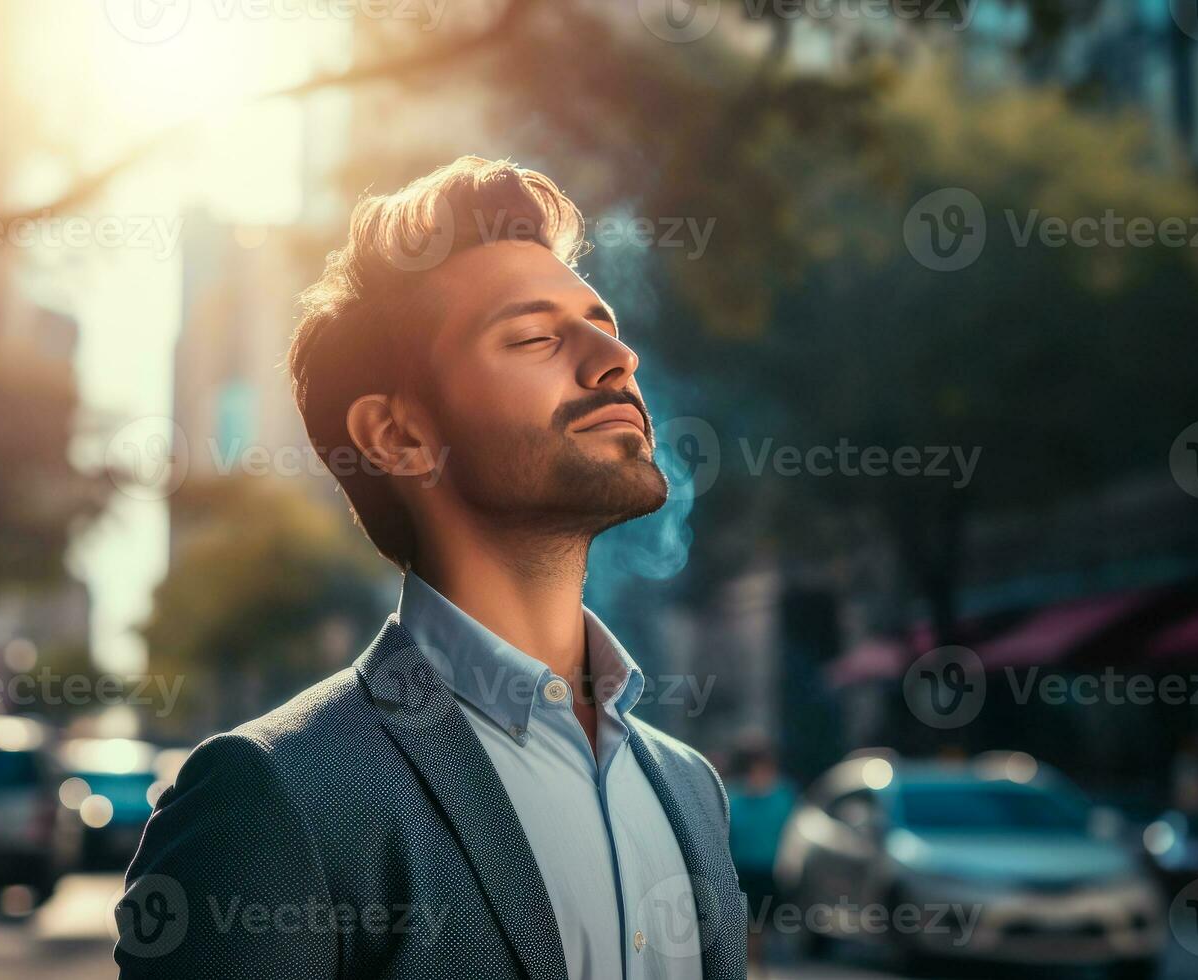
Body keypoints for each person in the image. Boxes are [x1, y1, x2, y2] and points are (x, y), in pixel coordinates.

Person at [115, 157, 748, 979]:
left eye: (602, 323)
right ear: (397, 436)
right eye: (533, 338)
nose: (613, 359)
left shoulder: (689, 790)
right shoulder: (273, 799)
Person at [725, 743, 796, 967]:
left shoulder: (784, 797)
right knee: (750, 925)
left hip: (774, 871)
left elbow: (796, 832)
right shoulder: (733, 798)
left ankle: (763, 965)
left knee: (769, 925)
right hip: (743, 871)